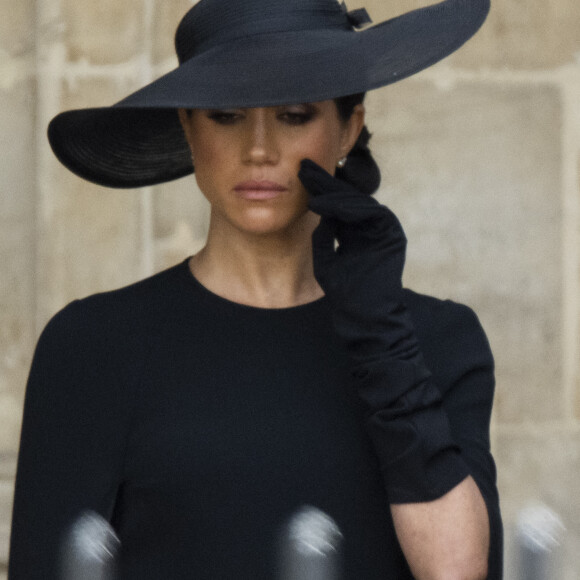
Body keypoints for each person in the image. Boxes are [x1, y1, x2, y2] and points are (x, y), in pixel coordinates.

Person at [9, 0, 503, 578]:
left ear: (348, 127)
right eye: (226, 115)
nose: (259, 149)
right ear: (187, 128)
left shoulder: (437, 340)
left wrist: (381, 337)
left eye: (294, 115)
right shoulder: (93, 345)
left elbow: (460, 573)